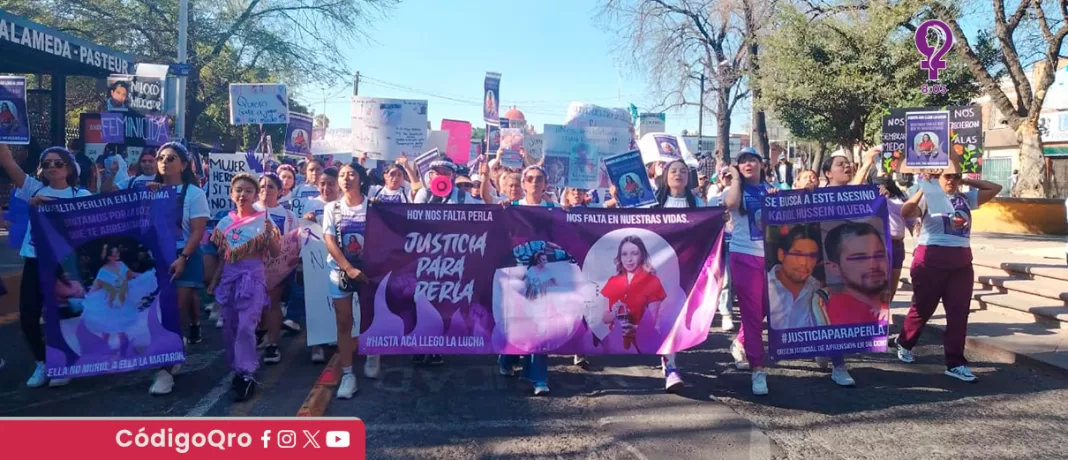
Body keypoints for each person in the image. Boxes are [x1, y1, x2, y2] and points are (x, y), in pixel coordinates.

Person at [0, 143, 91, 387]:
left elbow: (94, 225)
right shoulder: (34, 189)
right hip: (35, 260)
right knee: (29, 316)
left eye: (58, 163)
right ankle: (42, 362)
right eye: (47, 163)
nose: (52, 167)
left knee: (65, 315)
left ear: (70, 168)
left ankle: (66, 362)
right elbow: (8, 162)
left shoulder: (80, 196)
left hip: (66, 263)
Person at [898, 170, 1002, 382]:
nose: (952, 181)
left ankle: (955, 363)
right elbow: (906, 212)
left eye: (956, 176)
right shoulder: (929, 197)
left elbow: (994, 189)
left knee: (958, 313)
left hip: (961, 262)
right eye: (948, 176)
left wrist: (964, 180)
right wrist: (923, 188)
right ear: (938, 178)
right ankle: (905, 342)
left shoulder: (965, 198)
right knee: (923, 307)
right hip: (930, 259)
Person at [208, 173, 281, 401]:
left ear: (255, 195)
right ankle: (237, 367)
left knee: (246, 327)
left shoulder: (264, 221)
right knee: (230, 327)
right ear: (232, 194)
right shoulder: (224, 223)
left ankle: (247, 372)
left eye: (248, 191)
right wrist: (214, 282)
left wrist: (269, 235)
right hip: (230, 280)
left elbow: (276, 252)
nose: (243, 194)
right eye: (238, 190)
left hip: (253, 280)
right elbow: (222, 256)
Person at [145, 142, 210, 395]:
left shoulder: (194, 194)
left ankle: (163, 373)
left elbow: (197, 231)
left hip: (185, 257)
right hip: (157, 260)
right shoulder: (149, 191)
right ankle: (172, 351)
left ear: (184, 165)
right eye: (161, 157)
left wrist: (183, 257)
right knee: (159, 314)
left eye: (171, 158)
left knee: (171, 312)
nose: (164, 161)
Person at [498, 165, 555, 395]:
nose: (534, 182)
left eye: (539, 179)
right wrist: (501, 211)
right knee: (517, 322)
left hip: (543, 274)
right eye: (529, 179)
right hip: (515, 274)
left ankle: (538, 377)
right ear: (523, 184)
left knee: (541, 325)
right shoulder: (511, 209)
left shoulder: (554, 209)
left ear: (545, 184)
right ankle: (507, 358)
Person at [322, 161, 374, 398]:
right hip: (341, 272)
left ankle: (373, 353)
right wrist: (348, 267)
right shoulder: (332, 208)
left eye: (351, 174)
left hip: (370, 272)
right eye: (342, 175)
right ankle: (348, 373)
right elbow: (329, 240)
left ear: (361, 179)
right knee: (344, 321)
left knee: (371, 317)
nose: (346, 178)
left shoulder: (373, 206)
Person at [723, 147, 772, 395]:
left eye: (752, 160)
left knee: (767, 308)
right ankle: (758, 369)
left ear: (762, 164)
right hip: (744, 255)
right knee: (752, 314)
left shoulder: (772, 189)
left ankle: (740, 341)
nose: (748, 164)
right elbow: (730, 204)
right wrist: (734, 177)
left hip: (772, 257)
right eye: (742, 161)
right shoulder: (734, 190)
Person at [255, 173, 298, 364]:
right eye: (262, 186)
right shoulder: (248, 210)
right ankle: (258, 332)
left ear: (280, 191)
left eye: (271, 186)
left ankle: (273, 344)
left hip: (276, 269)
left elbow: (293, 243)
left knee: (273, 303)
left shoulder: (288, 216)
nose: (265, 190)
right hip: (251, 266)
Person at [820, 222, 890, 325]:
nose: (873, 265)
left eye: (879, 255)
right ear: (834, 268)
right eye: (859, 258)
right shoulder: (836, 312)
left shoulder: (884, 307)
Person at [768, 225, 826, 330]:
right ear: (781, 255)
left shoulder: (818, 291)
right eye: (797, 254)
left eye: (812, 256)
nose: (804, 263)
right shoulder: (763, 287)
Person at [873, 175, 910, 308]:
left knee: (892, 287)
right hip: (882, 245)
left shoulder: (901, 196)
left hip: (898, 244)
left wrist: (915, 227)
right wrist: (880, 197)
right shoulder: (874, 195)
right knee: (879, 286)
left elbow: (909, 215)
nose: (883, 178)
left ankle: (886, 311)